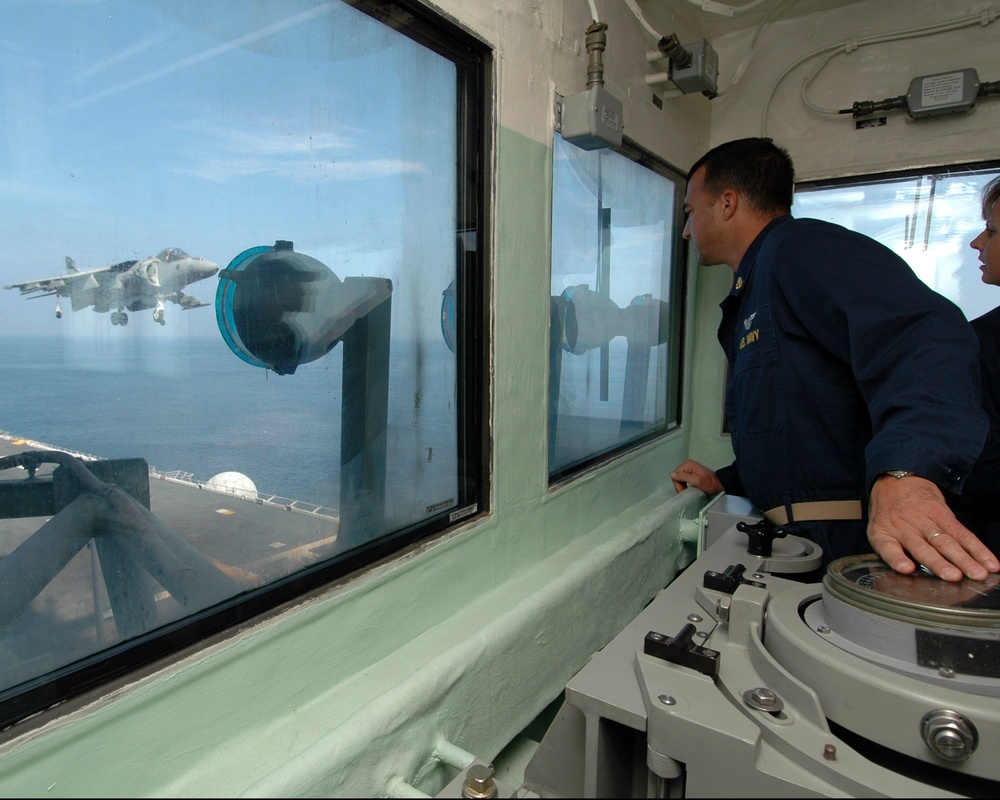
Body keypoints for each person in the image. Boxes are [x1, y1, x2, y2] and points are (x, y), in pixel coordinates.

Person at [670, 138, 999, 582]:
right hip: (799, 539)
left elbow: (925, 335)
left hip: (843, 543)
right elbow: (806, 422)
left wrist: (907, 473)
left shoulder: (800, 249)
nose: (687, 231)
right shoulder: (759, 282)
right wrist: (729, 479)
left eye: (690, 212)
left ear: (727, 203)